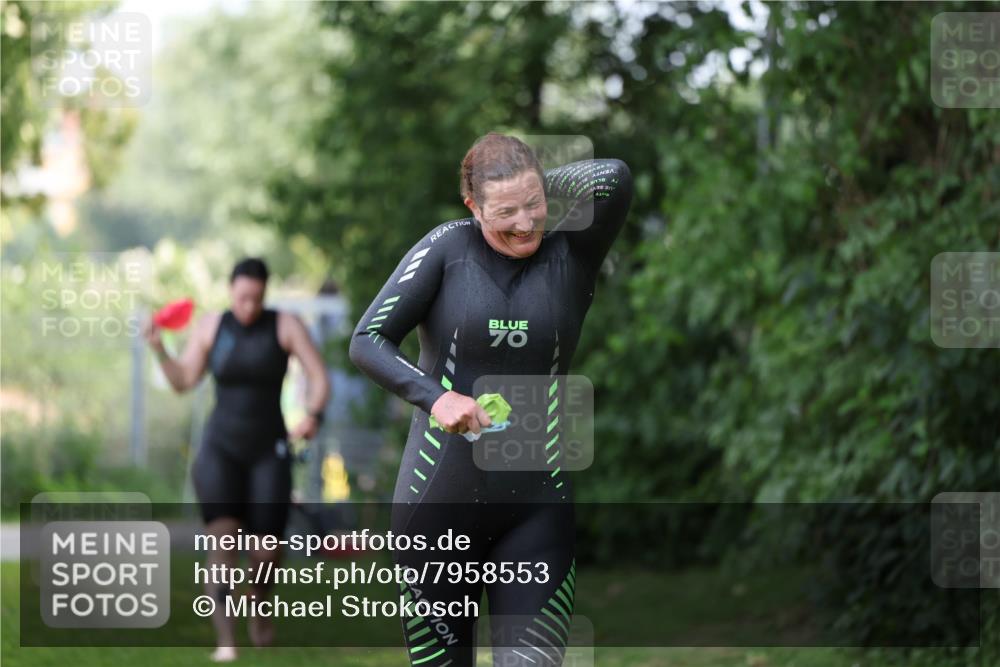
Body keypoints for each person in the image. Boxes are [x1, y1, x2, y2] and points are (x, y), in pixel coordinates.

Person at [349, 133, 632, 666]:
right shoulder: (446, 249)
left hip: (537, 511)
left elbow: (614, 176)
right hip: (438, 504)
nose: (525, 223)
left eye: (534, 205)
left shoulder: (572, 252)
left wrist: (535, 178)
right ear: (472, 206)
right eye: (505, 211)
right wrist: (435, 399)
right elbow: (367, 341)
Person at [145, 257, 331, 662]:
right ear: (231, 290)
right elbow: (183, 382)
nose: (249, 306)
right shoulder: (212, 327)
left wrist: (312, 416)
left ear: (265, 293)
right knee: (223, 545)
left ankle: (258, 603)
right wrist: (160, 348)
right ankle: (226, 640)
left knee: (267, 552)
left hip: (268, 450)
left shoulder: (285, 325)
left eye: (257, 298)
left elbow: (319, 377)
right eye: (243, 297)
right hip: (220, 450)